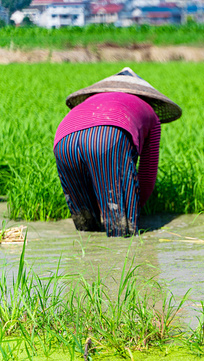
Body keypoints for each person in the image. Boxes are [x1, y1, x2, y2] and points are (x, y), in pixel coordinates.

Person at [53, 67, 182, 237]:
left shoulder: (91, 101)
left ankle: (84, 255)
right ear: (146, 96)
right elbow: (147, 174)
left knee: (85, 224)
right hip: (109, 135)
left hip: (63, 141)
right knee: (122, 231)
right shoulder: (150, 114)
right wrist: (133, 205)